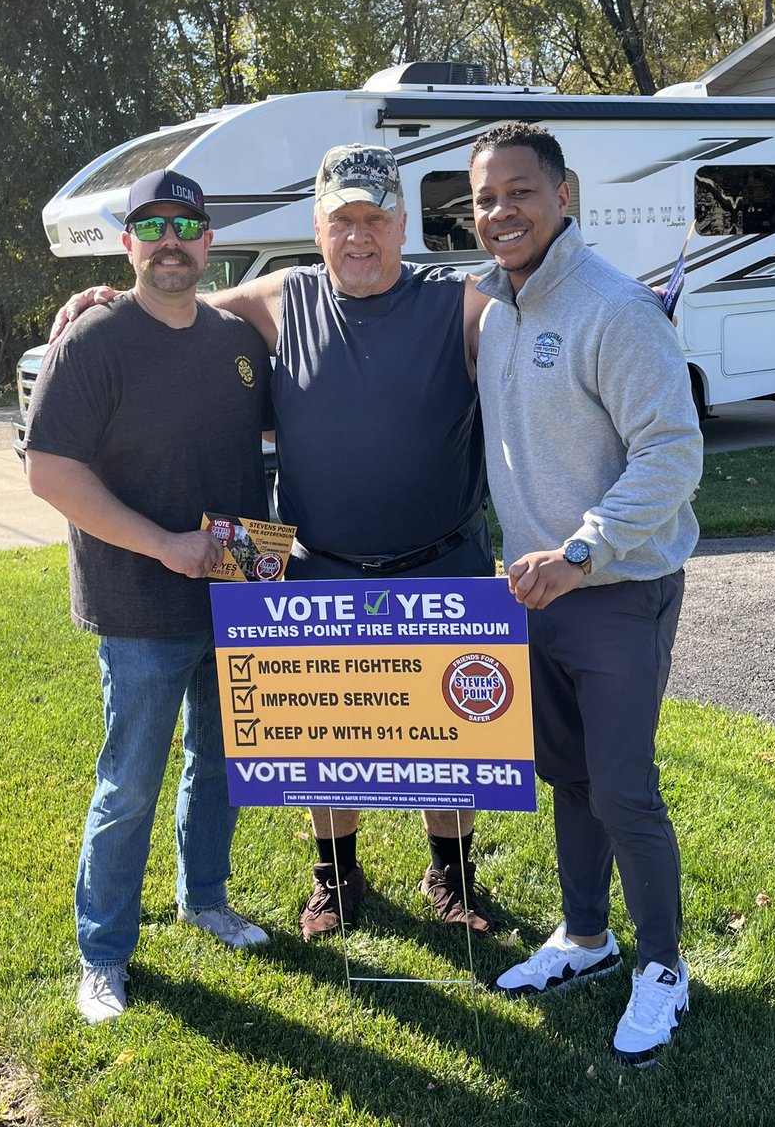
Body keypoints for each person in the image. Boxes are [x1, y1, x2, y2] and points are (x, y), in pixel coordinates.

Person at [53, 144, 498, 943]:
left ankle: (451, 873)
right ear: (317, 227)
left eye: (374, 219)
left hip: (444, 562)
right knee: (330, 739)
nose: (358, 236)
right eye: (341, 220)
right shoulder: (282, 298)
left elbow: (533, 332)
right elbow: (177, 298)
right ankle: (335, 878)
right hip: (318, 565)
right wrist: (107, 297)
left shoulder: (456, 304)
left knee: (450, 738)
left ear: (402, 223)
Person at [468, 121, 703, 1066]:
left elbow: (673, 452)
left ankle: (664, 968)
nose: (501, 212)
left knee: (623, 789)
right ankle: (586, 937)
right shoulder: (493, 309)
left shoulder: (616, 308)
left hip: (615, 590)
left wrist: (580, 551)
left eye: (519, 191)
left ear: (565, 196)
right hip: (537, 595)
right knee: (567, 779)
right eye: (485, 198)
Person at [25, 168, 273, 1024]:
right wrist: (165, 545)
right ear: (127, 243)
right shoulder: (92, 339)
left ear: (209, 243)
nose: (172, 241)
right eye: (152, 226)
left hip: (239, 594)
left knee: (223, 763)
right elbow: (50, 473)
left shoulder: (238, 341)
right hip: (136, 605)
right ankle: (103, 954)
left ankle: (204, 898)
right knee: (128, 781)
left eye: (187, 226)